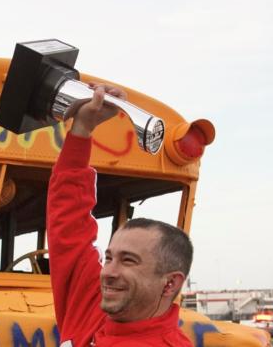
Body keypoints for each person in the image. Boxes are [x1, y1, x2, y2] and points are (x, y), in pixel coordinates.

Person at [47, 84, 194, 346]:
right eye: (109, 258)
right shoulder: (95, 308)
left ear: (170, 283)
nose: (108, 272)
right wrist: (82, 129)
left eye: (128, 261)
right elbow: (68, 225)